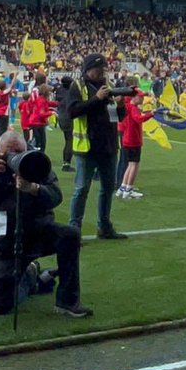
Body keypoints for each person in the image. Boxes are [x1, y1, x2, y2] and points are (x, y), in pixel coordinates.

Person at [0, 131, 91, 317]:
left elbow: (56, 195)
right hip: (4, 242)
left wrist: (34, 189)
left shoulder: (35, 161)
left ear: (26, 147)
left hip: (39, 231)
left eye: (19, 152)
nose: (14, 157)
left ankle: (68, 301)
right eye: (9, 153)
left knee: (70, 234)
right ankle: (30, 277)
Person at [66, 54, 128, 239]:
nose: (101, 72)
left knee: (108, 188)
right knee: (81, 190)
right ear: (88, 70)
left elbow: (117, 117)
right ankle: (74, 231)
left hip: (108, 146)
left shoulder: (108, 86)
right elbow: (72, 111)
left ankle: (104, 227)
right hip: (87, 147)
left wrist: (121, 105)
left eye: (103, 69)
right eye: (98, 69)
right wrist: (97, 98)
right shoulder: (77, 86)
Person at [117, 88, 152, 200]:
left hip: (127, 139)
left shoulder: (127, 106)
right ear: (134, 98)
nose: (142, 99)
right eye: (140, 97)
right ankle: (129, 189)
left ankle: (123, 187)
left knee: (129, 165)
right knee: (134, 165)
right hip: (133, 140)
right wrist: (151, 114)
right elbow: (139, 119)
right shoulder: (133, 108)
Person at [55, 76, 76, 172]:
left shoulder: (60, 91)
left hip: (61, 117)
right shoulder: (70, 93)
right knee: (69, 141)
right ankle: (66, 163)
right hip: (68, 117)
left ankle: (66, 162)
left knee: (67, 140)